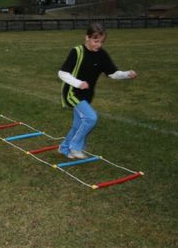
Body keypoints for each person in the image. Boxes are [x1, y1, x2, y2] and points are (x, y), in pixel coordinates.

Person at [58, 23, 137, 159]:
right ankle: (75, 147)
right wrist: (78, 83)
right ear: (87, 38)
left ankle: (64, 148)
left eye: (101, 41)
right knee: (90, 118)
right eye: (95, 41)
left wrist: (126, 74)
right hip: (72, 92)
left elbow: (112, 73)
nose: (98, 45)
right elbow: (62, 73)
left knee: (78, 124)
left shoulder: (101, 55)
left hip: (87, 95)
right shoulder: (77, 51)